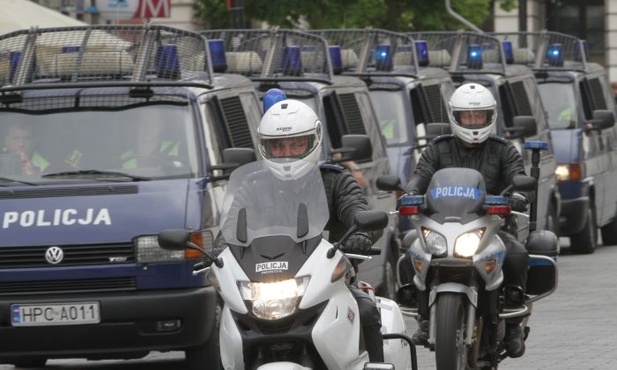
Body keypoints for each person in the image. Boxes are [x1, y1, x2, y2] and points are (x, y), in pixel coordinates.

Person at [217, 99, 385, 362]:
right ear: (266, 147)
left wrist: (362, 235)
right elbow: (229, 228)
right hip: (263, 284)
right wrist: (216, 254)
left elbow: (358, 210)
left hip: (328, 284)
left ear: (312, 142)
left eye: (296, 144)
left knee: (365, 311)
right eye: (279, 145)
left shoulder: (335, 179)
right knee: (227, 320)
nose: (287, 152)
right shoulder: (252, 185)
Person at [404, 82, 529, 358]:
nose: (474, 122)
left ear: (490, 117)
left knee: (517, 254)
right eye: (468, 117)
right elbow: (421, 174)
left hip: (491, 227)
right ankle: (422, 315)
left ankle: (512, 325)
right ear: (455, 117)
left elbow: (516, 175)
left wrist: (518, 193)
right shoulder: (438, 149)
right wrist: (411, 191)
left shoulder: (503, 149)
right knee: (409, 246)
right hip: (441, 226)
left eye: (479, 116)